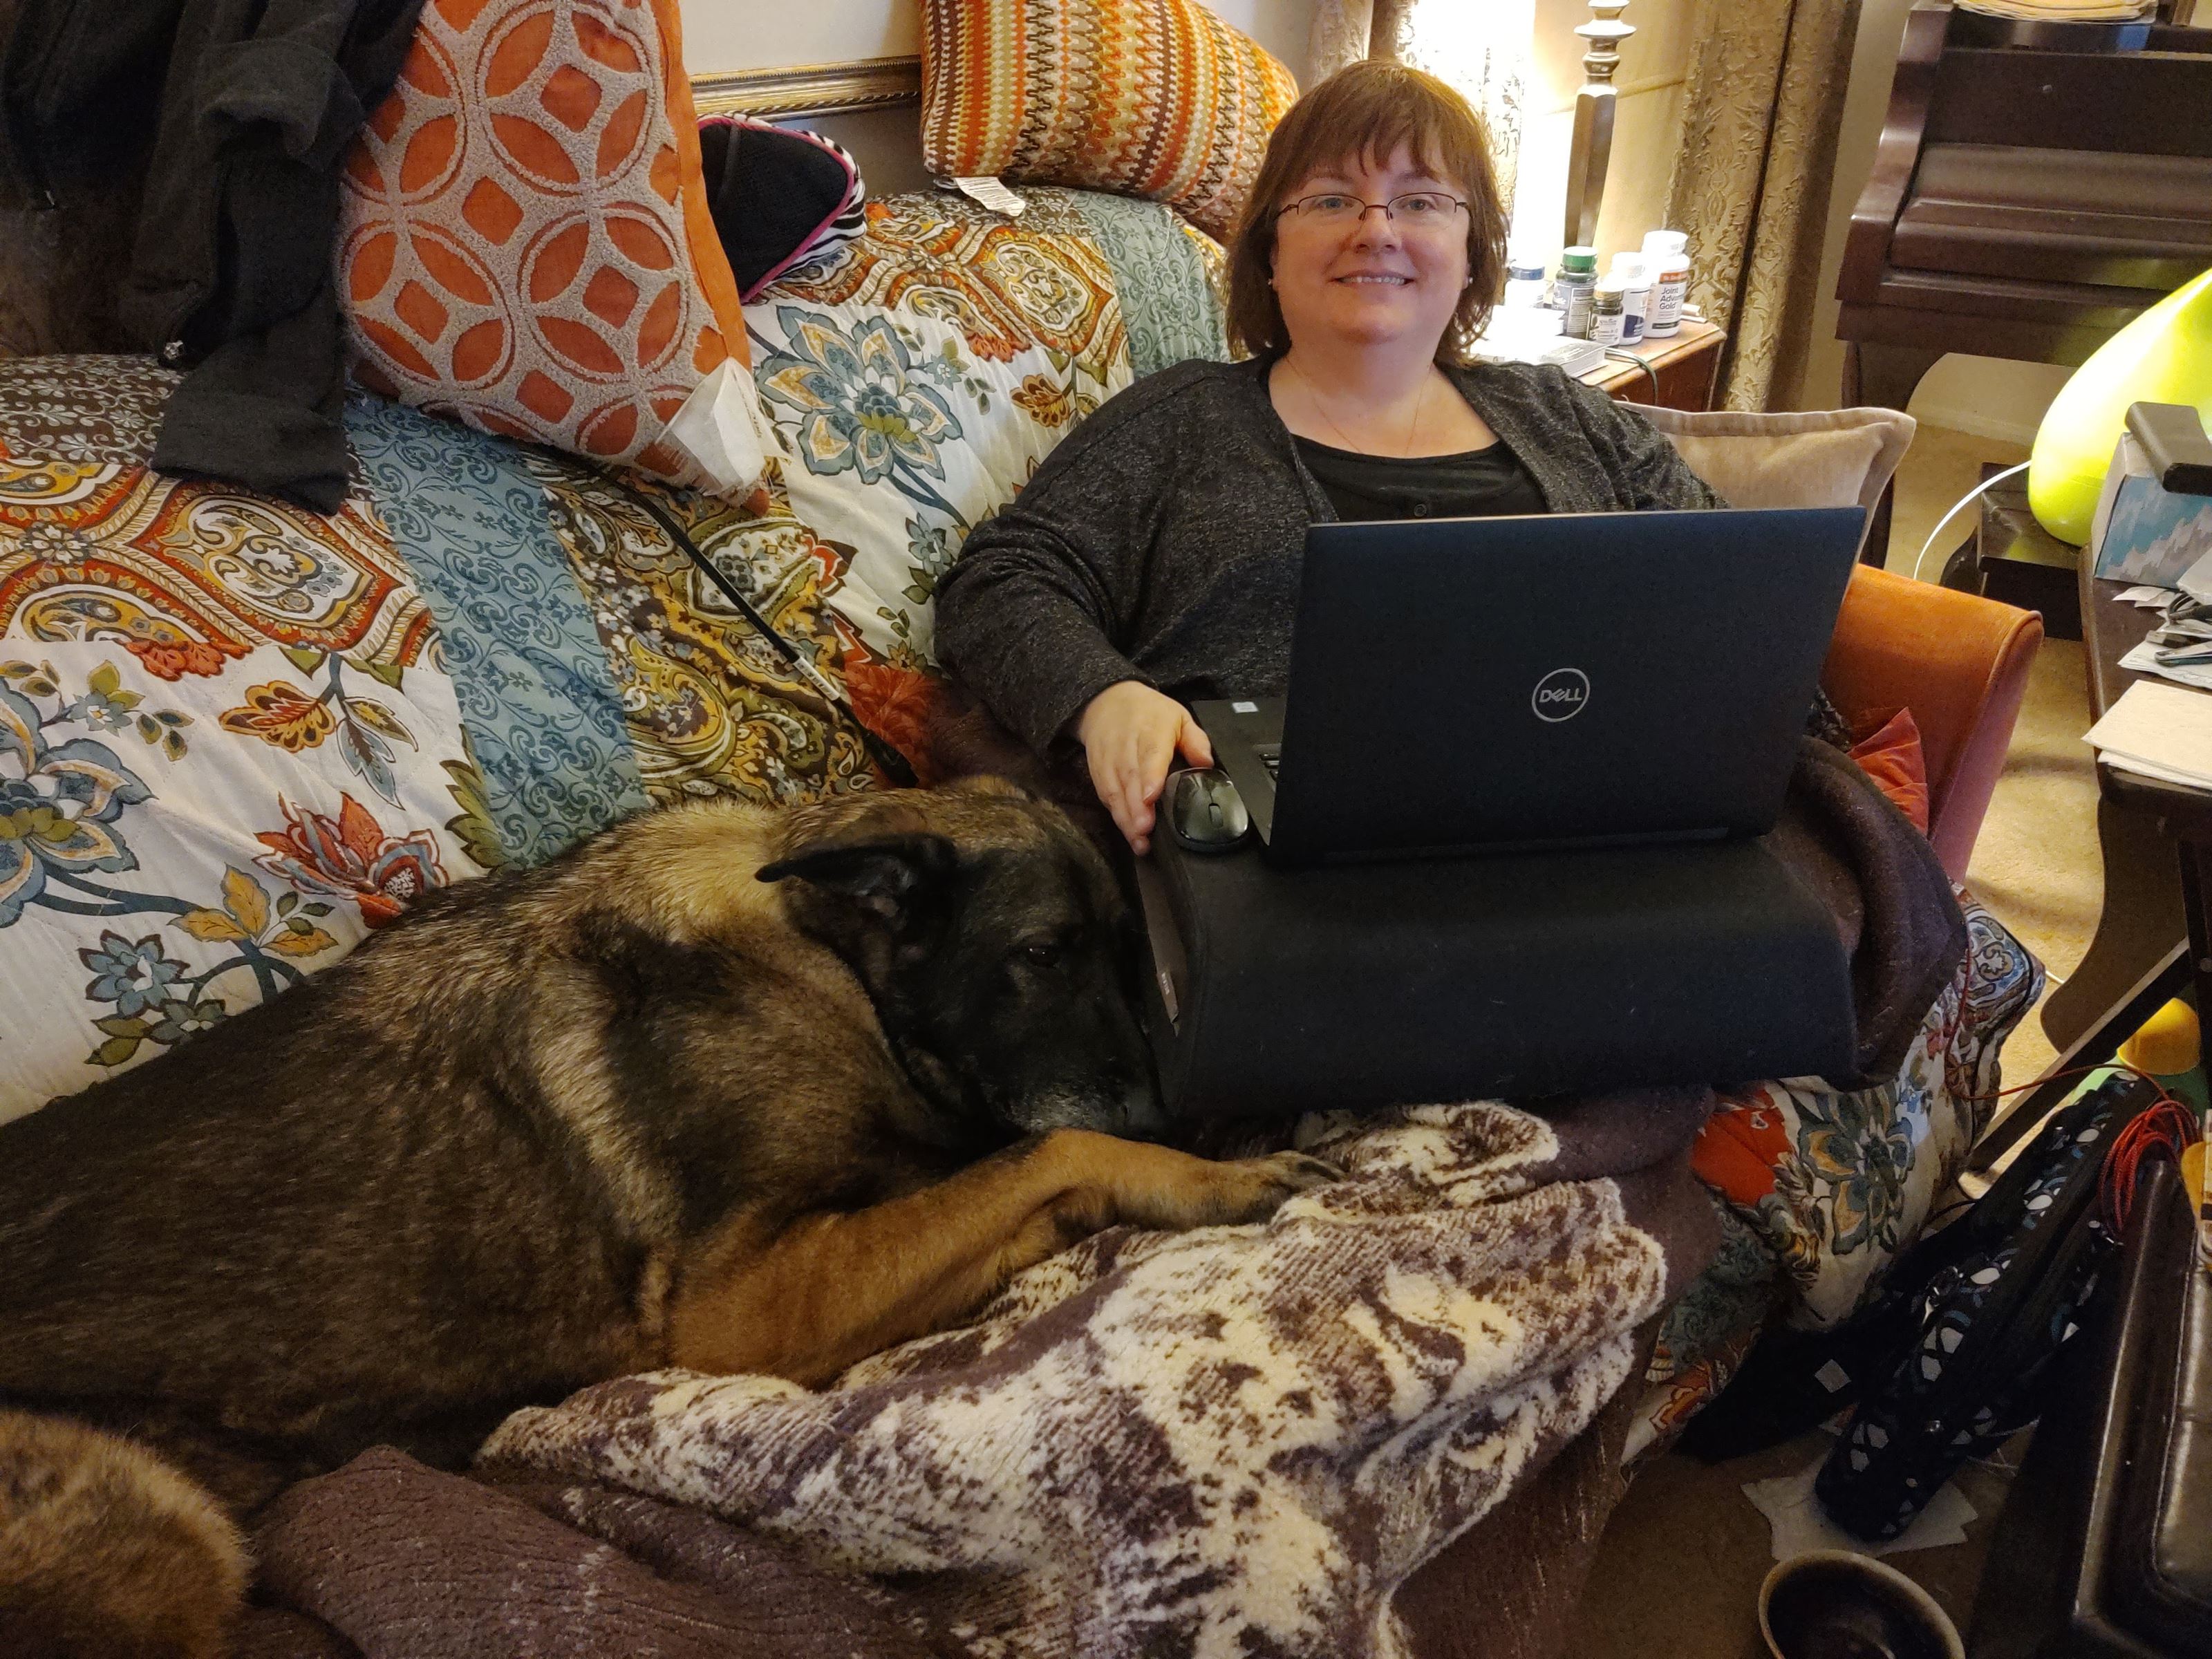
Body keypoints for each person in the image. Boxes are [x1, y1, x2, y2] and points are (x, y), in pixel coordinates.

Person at [935, 60, 1728, 856]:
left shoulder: (1567, 414)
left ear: (1470, 252)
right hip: (1284, 861)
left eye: (1419, 201)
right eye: (1330, 200)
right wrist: (1103, 698)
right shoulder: (1178, 422)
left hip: (1596, 830)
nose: (1376, 229)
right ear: (1270, 253)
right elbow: (1000, 580)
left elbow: (1727, 584)